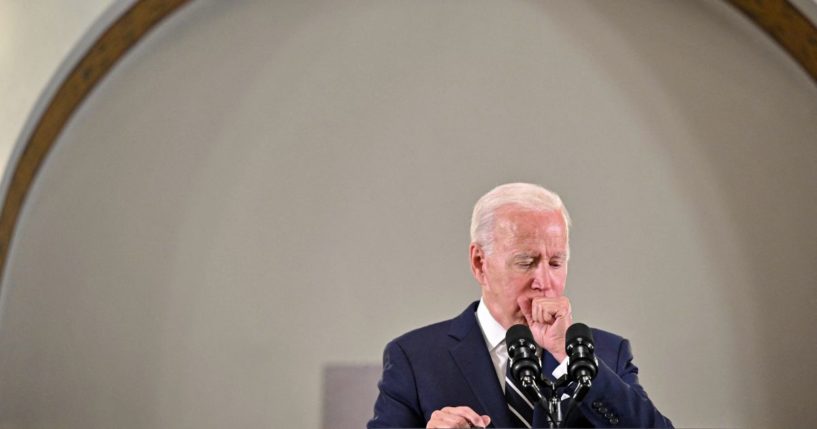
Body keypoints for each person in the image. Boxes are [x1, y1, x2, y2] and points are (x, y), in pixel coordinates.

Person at [367, 183, 673, 428]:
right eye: (526, 262)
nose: (543, 280)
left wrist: (568, 355)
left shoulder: (605, 354)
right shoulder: (415, 357)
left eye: (556, 262)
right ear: (479, 263)